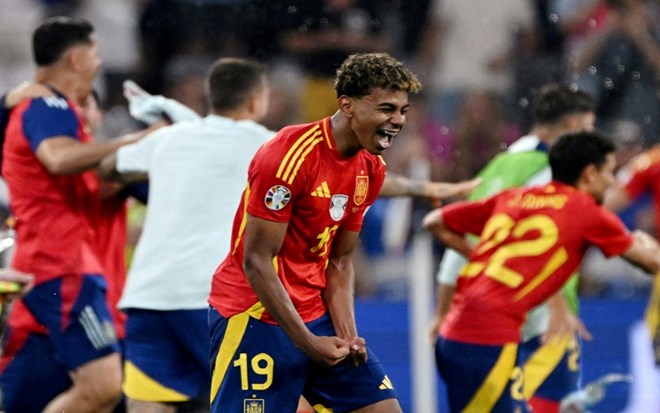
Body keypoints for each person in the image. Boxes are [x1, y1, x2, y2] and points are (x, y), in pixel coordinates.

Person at [206, 52, 420, 412]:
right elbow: (256, 261)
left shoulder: (371, 168)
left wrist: (348, 337)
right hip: (255, 316)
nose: (397, 120)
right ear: (347, 105)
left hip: (315, 316)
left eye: (402, 111)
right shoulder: (289, 154)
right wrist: (305, 342)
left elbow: (340, 261)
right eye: (386, 109)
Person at [422, 130, 660, 413]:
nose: (612, 182)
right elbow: (652, 264)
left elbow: (435, 221)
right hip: (487, 340)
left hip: (455, 334)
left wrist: (483, 260)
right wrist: (643, 240)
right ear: (589, 174)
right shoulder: (586, 211)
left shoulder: (515, 197)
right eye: (609, 172)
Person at [97, 57, 272, 413]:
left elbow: (108, 168)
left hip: (150, 296)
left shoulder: (169, 138)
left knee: (148, 405)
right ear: (256, 100)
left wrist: (171, 159)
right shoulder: (272, 147)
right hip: (212, 300)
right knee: (252, 402)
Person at [0, 16, 157, 413]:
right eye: (95, 54)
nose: (99, 63)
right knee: (104, 387)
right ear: (76, 58)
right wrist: (141, 139)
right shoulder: (48, 107)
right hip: (62, 265)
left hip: (60, 266)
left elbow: (92, 183)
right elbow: (58, 158)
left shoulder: (50, 112)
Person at [430, 82, 596, 412]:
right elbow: (539, 248)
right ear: (573, 125)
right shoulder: (549, 172)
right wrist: (559, 306)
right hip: (542, 319)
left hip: (487, 321)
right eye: (589, 129)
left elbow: (464, 245)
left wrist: (442, 313)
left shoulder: (500, 166)